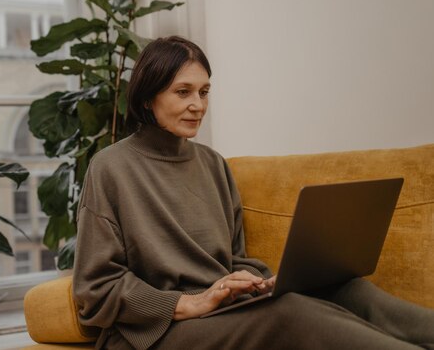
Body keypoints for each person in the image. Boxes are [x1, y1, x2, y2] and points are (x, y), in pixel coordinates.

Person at [72, 36, 434, 350]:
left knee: (347, 289)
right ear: (149, 98)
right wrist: (190, 303)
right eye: (183, 92)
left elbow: (233, 258)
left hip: (224, 311)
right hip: (159, 332)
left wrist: (261, 282)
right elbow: (96, 287)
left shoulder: (213, 165)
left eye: (204, 91)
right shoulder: (110, 168)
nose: (198, 105)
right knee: (292, 314)